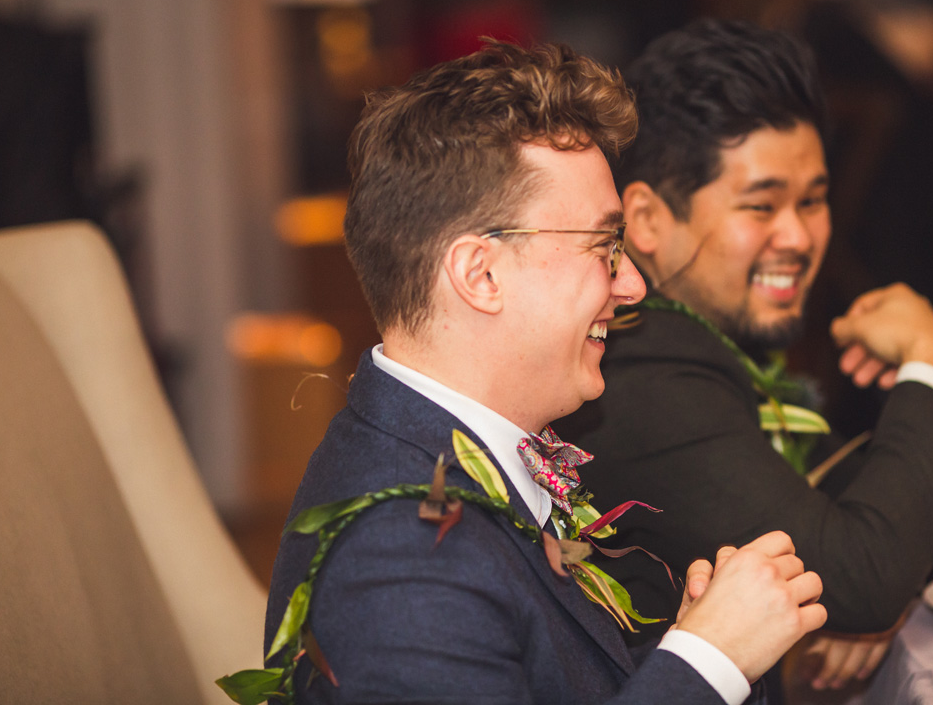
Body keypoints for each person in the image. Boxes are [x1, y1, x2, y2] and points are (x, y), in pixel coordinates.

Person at [264, 40, 827, 705]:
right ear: (481, 275)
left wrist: (683, 642)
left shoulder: (467, 452)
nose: (634, 284)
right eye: (603, 247)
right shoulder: (402, 561)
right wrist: (708, 663)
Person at [553, 19, 933, 690]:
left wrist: (879, 592)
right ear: (645, 221)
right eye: (760, 206)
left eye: (814, 200)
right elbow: (866, 570)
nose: (799, 235)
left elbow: (887, 539)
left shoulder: (711, 346)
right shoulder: (637, 368)